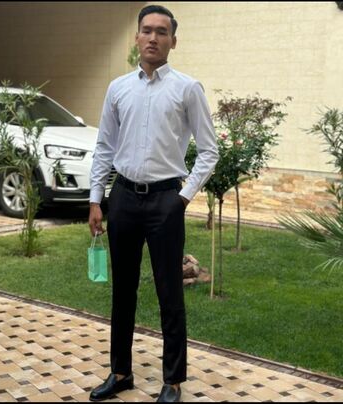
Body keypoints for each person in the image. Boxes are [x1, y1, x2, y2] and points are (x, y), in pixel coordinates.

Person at [88, 5, 219, 402]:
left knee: (169, 293)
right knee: (122, 291)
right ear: (136, 37)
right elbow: (104, 147)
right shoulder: (118, 89)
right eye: (147, 30)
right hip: (123, 199)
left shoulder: (187, 88)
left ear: (173, 41)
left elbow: (209, 151)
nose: (153, 38)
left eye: (162, 32)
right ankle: (121, 372)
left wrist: (182, 198)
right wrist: (96, 199)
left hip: (166, 201)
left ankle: (172, 381)